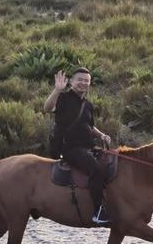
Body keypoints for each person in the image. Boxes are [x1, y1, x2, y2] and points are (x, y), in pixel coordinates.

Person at [44, 67, 113, 225]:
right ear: (72, 82)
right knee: (96, 169)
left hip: (87, 147)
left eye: (86, 81)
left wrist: (102, 135)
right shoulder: (63, 98)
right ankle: (97, 211)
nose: (83, 83)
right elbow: (47, 108)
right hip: (69, 148)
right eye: (79, 79)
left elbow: (89, 126)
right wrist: (56, 90)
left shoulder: (87, 105)